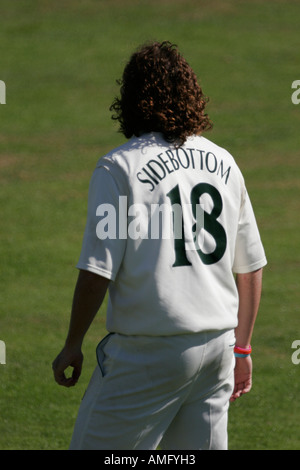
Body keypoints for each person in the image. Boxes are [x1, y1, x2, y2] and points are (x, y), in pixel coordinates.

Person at [52, 41, 267, 450]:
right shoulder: (224, 162)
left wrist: (72, 344)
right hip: (218, 349)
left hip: (148, 353)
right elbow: (251, 264)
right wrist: (242, 347)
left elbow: (98, 270)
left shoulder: (118, 167)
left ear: (130, 99)